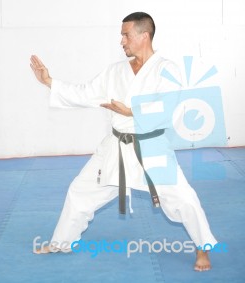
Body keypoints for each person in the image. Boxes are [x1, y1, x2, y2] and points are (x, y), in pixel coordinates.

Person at [30, 12, 216, 272]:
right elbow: (86, 93)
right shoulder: (115, 71)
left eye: (125, 34)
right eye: (121, 35)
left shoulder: (166, 70)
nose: (121, 41)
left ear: (144, 35)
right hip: (115, 147)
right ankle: (62, 242)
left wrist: (132, 112)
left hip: (151, 147)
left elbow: (169, 109)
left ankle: (203, 248)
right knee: (80, 192)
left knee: (183, 199)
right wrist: (50, 82)